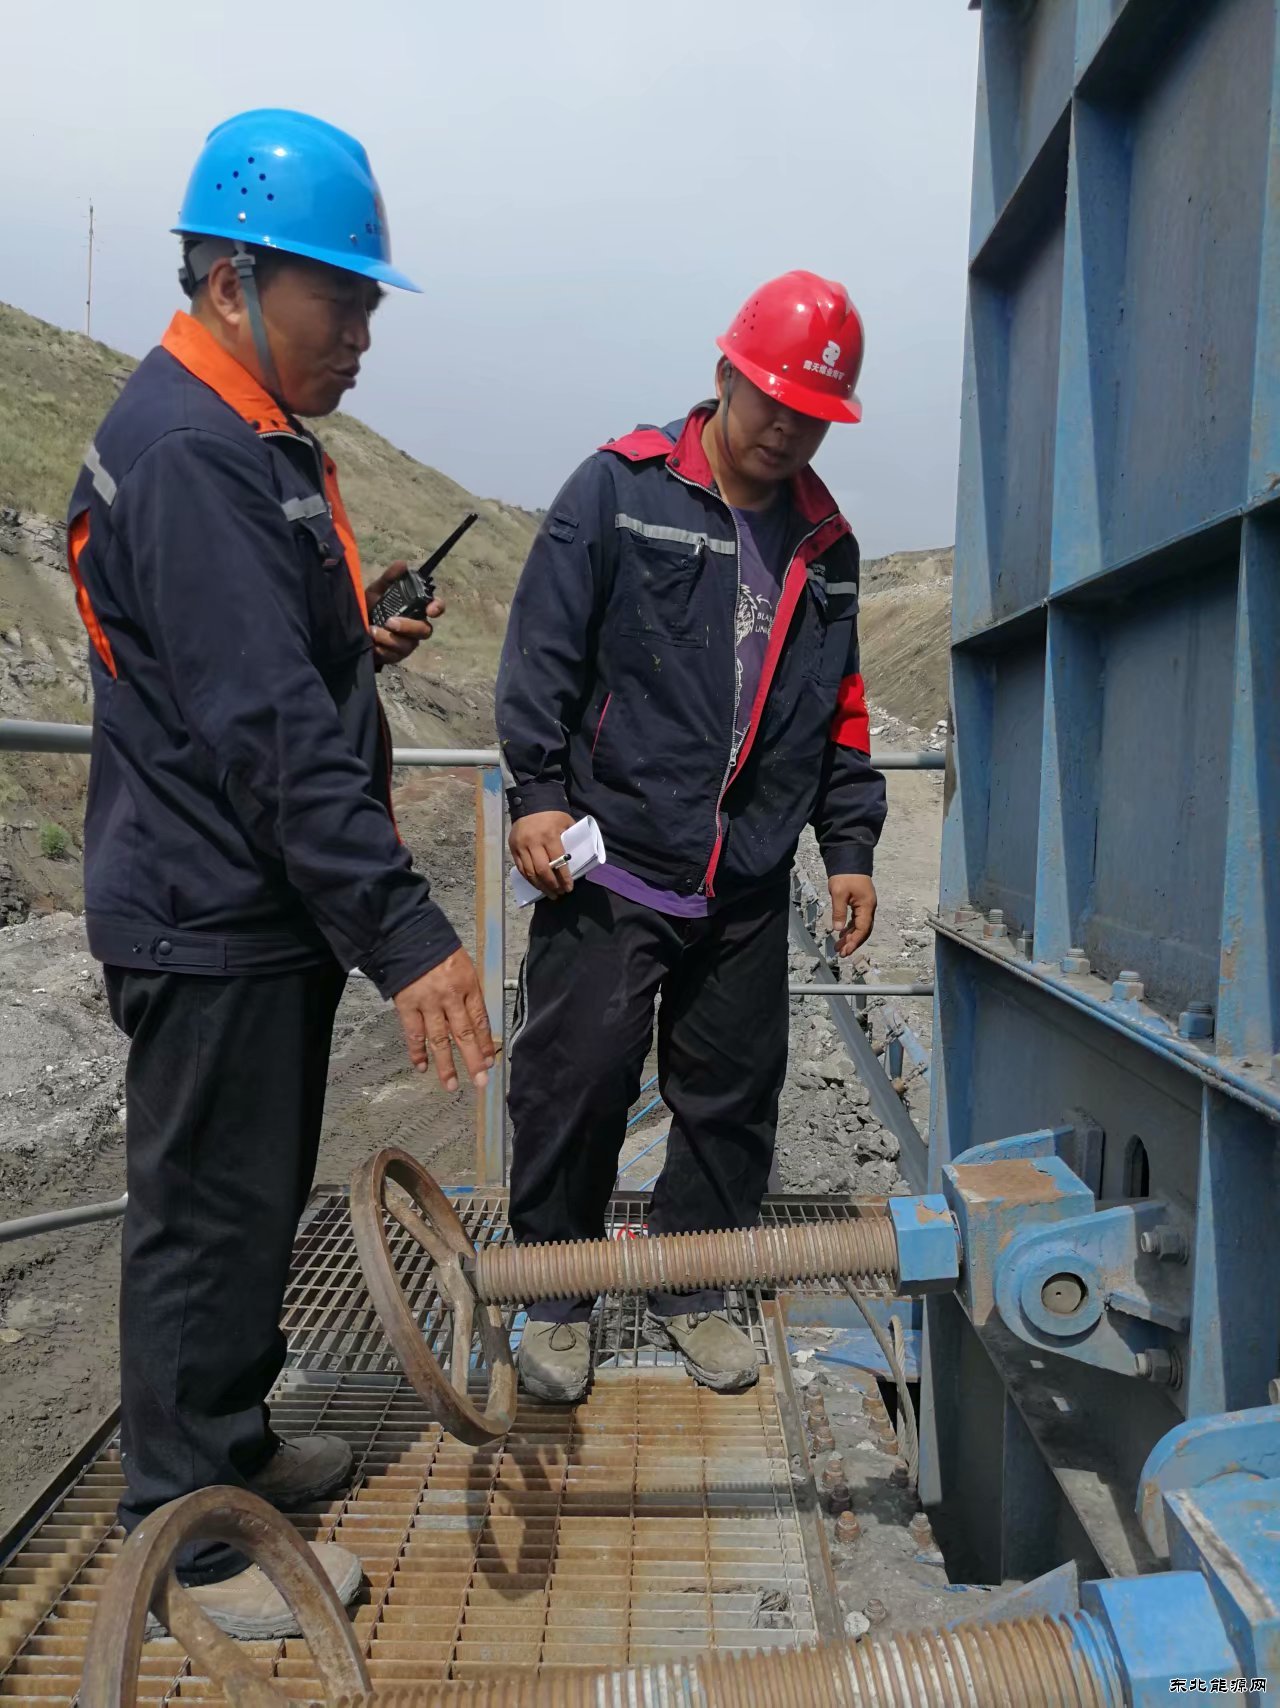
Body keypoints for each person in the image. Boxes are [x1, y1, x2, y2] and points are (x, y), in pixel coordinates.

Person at [67, 109, 495, 1636]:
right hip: (207, 909)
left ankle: (233, 1450)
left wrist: (353, 640)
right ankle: (187, 1544)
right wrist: (408, 932)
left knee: (249, 1207)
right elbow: (262, 731)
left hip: (244, 903)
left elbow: (246, 661)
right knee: (201, 1226)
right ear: (233, 279)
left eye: (370, 303)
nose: (363, 336)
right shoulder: (195, 450)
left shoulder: (238, 428)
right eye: (344, 300)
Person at [497, 270, 887, 1403]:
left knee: (729, 1097)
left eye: (811, 414)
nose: (786, 429)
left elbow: (838, 709)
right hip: (614, 861)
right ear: (723, 376)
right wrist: (535, 792)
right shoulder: (618, 491)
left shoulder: (827, 543)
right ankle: (554, 1296)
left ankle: (692, 1288)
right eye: (772, 400)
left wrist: (848, 846)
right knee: (574, 1084)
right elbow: (542, 649)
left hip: (746, 879)